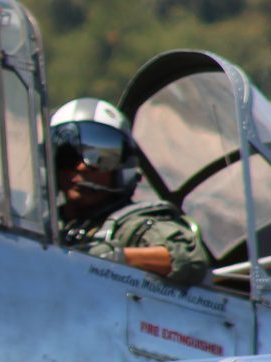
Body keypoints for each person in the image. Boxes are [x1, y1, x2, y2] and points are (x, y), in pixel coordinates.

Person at [51, 98, 207, 286]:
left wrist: (115, 256)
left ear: (121, 168)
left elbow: (188, 258)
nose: (82, 167)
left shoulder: (134, 225)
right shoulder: (48, 223)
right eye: (67, 157)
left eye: (101, 158)